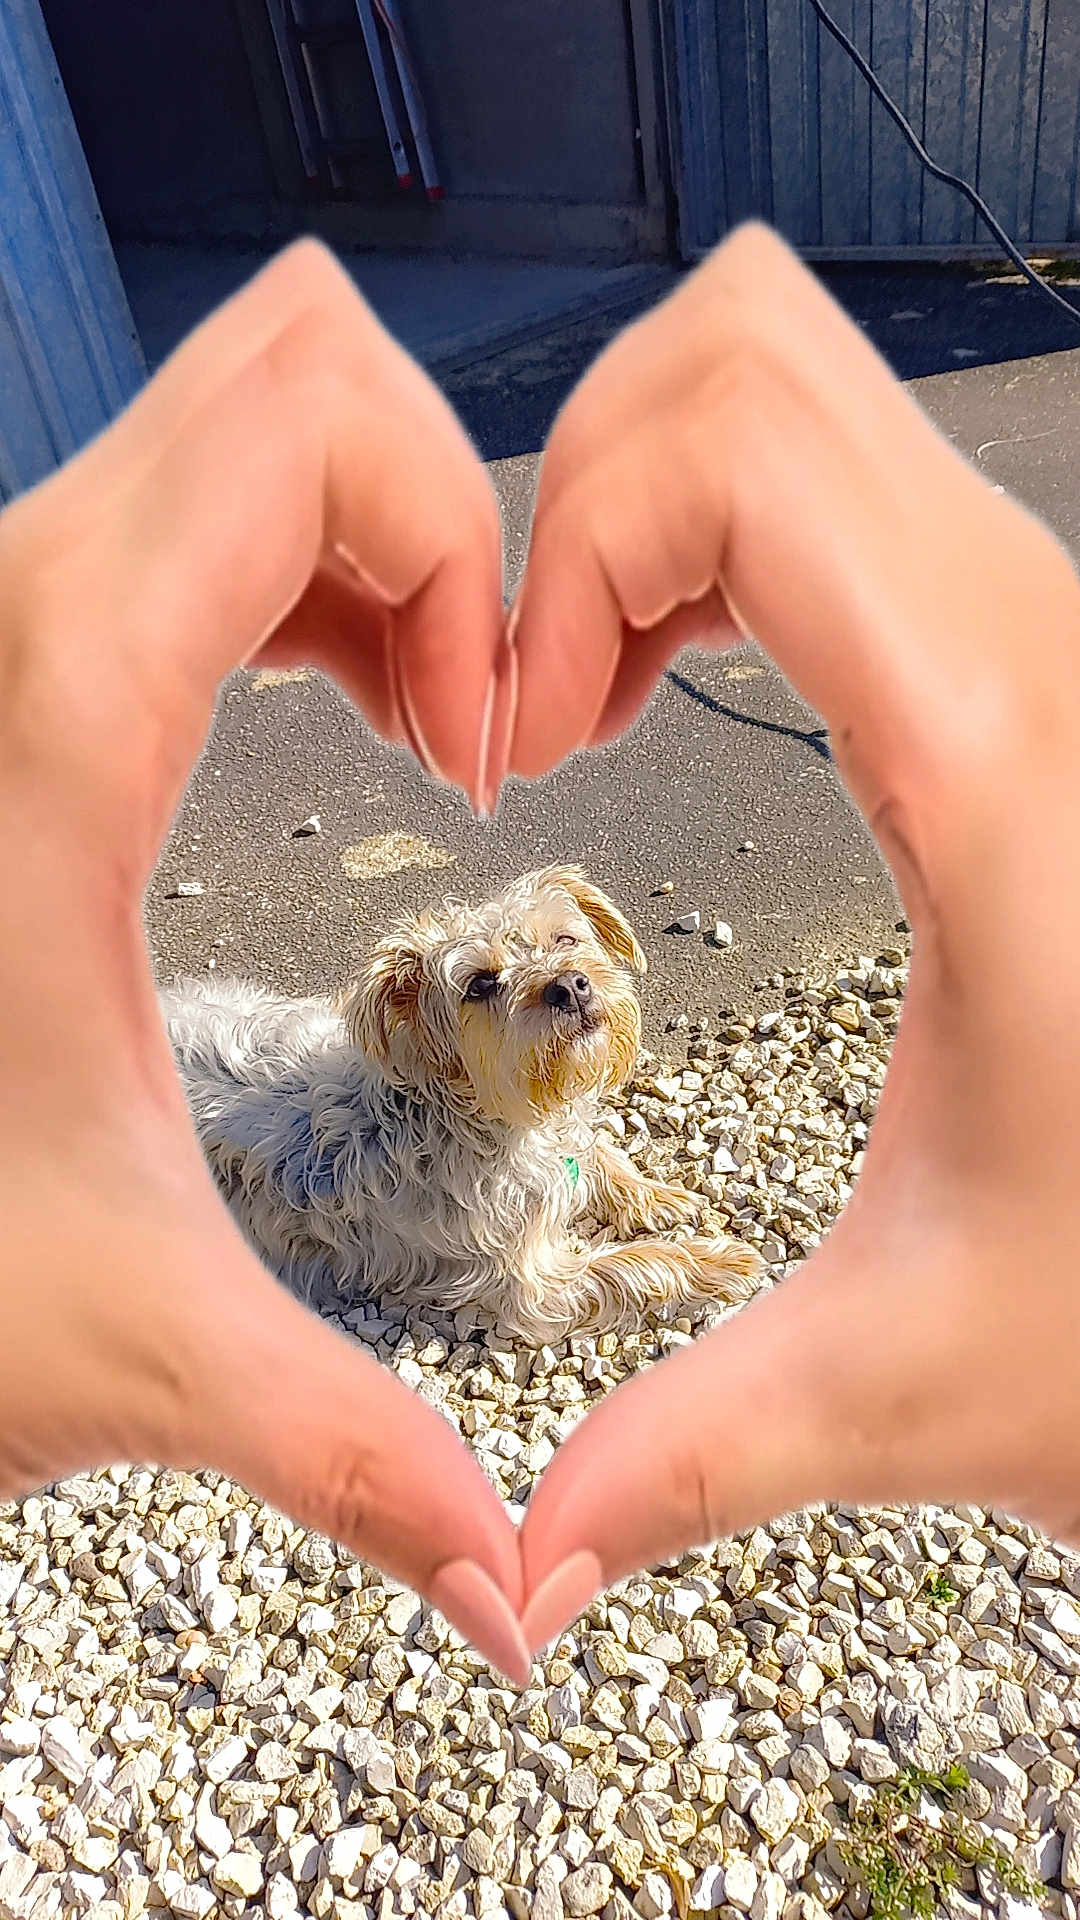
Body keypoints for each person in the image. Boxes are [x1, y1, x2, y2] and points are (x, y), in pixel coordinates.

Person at [0, 224, 1077, 1689]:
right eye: (495, 986)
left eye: (570, 952)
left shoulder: (510, 1109)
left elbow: (554, 1136)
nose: (563, 978)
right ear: (428, 1038)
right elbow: (534, 1298)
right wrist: (675, 1265)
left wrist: (601, 1156)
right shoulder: (469, 1200)